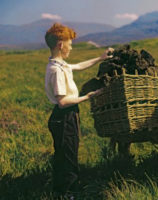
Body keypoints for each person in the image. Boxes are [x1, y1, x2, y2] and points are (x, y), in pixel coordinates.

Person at [44, 23, 113, 197]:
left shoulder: (61, 65)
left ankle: (61, 189)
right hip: (64, 116)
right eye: (70, 43)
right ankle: (68, 193)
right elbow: (63, 101)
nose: (71, 47)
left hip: (67, 116)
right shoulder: (56, 70)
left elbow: (80, 66)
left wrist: (100, 58)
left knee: (67, 153)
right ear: (61, 45)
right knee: (67, 156)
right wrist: (89, 96)